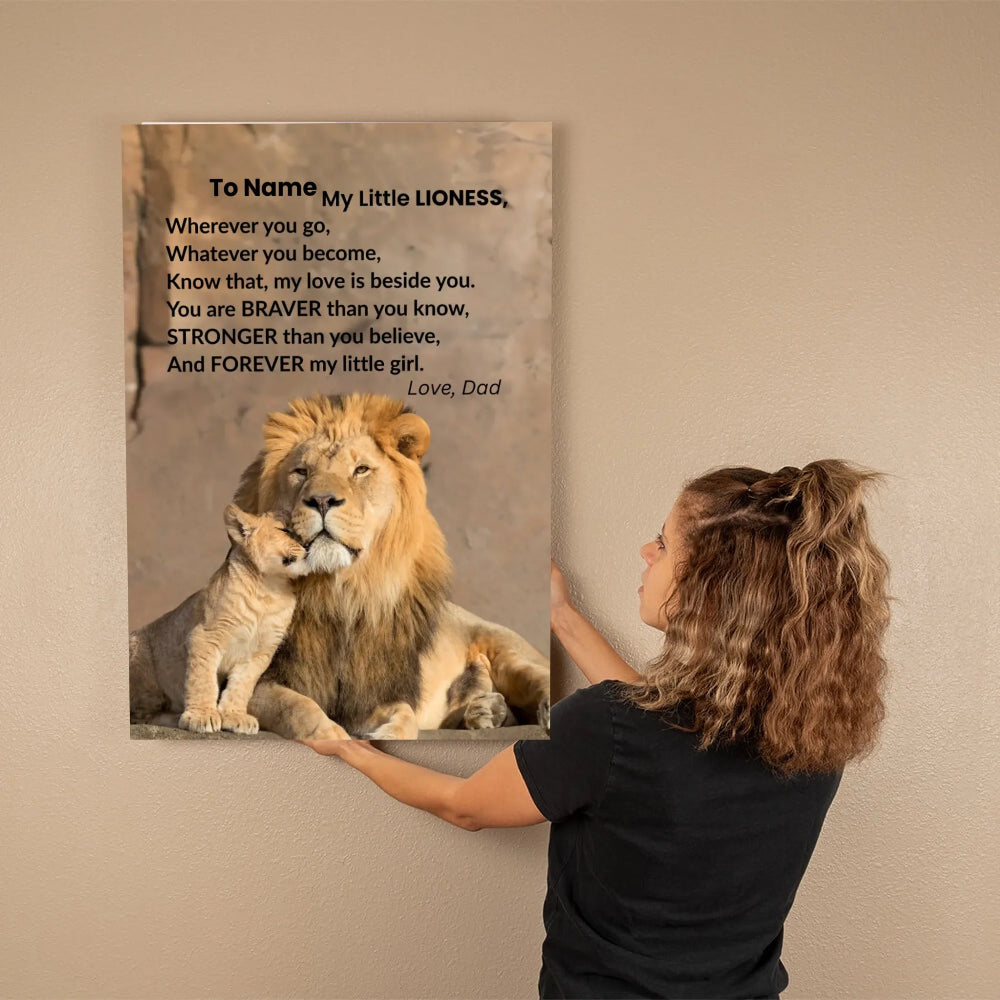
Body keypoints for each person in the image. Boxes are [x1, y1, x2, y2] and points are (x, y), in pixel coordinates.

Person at [297, 459, 891, 999]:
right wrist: (561, 616)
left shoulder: (608, 730)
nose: (646, 551)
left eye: (664, 544)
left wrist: (352, 750)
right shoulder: (817, 732)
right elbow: (657, 739)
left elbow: (465, 806)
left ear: (711, 587)